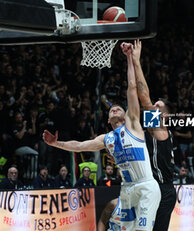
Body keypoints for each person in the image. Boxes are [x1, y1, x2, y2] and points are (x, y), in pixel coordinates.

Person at [43, 41, 161, 231]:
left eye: (118, 108)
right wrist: (57, 143)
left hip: (146, 186)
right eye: (111, 109)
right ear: (108, 120)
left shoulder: (133, 125)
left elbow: (132, 88)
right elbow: (80, 146)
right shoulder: (107, 139)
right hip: (127, 189)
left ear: (125, 114)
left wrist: (130, 59)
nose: (114, 108)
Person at [127, 39, 176, 231]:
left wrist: (136, 61)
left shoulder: (161, 131)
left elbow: (143, 97)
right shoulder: (152, 131)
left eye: (158, 107)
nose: (153, 108)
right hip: (150, 188)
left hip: (163, 191)